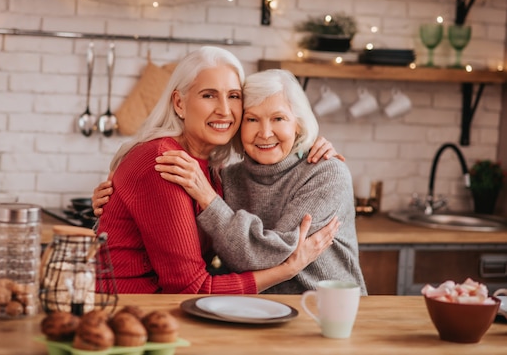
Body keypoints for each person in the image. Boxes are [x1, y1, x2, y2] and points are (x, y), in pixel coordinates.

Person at [96, 67, 366, 295]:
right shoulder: (227, 177)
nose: (265, 132)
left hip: (323, 310)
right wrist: (118, 200)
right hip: (250, 312)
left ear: (298, 124)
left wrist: (209, 201)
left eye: (278, 118)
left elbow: (271, 254)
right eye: (252, 119)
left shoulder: (325, 172)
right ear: (238, 125)